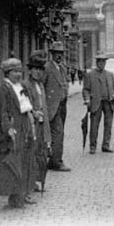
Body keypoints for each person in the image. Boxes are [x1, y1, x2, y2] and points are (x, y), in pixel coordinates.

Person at [0, 58, 36, 209]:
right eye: (15, 72)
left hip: (23, 125)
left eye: (19, 71)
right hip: (12, 129)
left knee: (23, 161)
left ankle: (22, 194)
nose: (18, 74)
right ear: (7, 73)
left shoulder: (19, 86)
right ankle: (13, 197)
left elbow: (26, 105)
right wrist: (8, 129)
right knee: (11, 164)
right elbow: (3, 112)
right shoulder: (3, 89)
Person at [23, 50, 51, 192]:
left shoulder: (40, 85)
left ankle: (38, 180)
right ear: (30, 70)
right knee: (32, 153)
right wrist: (33, 112)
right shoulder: (25, 85)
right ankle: (30, 182)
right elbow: (23, 104)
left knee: (42, 152)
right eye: (36, 69)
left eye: (40, 69)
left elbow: (44, 104)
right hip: (31, 124)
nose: (38, 72)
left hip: (41, 123)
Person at [82, 51, 114, 154]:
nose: (102, 64)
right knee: (94, 125)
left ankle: (106, 145)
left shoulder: (110, 74)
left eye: (103, 62)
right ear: (97, 62)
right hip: (96, 103)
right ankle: (92, 146)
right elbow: (85, 89)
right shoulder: (90, 74)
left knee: (108, 125)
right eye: (100, 62)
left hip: (108, 102)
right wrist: (87, 99)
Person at [43, 41, 71, 171]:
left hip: (62, 105)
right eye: (57, 53)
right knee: (58, 133)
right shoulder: (47, 68)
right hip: (51, 106)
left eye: (61, 54)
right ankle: (57, 162)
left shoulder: (63, 68)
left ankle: (53, 159)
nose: (59, 56)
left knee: (58, 134)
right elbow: (42, 87)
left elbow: (65, 84)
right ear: (52, 54)